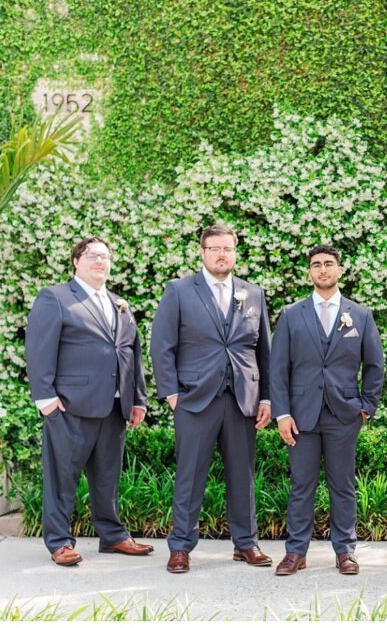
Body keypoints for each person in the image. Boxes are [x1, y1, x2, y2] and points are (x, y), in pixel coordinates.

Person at [150, 223, 272, 573]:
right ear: (202, 253)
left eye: (228, 249)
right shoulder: (179, 290)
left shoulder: (253, 293)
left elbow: (264, 351)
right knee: (189, 474)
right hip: (194, 398)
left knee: (242, 474)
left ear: (235, 252)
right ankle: (181, 547)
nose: (222, 255)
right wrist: (172, 394)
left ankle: (246, 543)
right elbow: (162, 346)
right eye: (215, 249)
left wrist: (266, 398)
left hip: (241, 399)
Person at [26, 236, 154, 566]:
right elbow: (39, 350)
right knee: (62, 477)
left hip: (114, 408)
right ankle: (59, 542)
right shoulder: (55, 298)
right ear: (76, 261)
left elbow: (131, 354)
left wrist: (137, 399)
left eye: (105, 256)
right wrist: (46, 400)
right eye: (92, 255)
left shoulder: (119, 304)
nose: (100, 261)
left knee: (108, 477)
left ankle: (112, 536)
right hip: (70, 406)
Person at [270, 244, 385, 576]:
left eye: (329, 264)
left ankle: (345, 552)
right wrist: (282, 413)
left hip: (343, 415)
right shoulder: (292, 314)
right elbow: (278, 369)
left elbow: (375, 365)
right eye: (317, 265)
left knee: (343, 484)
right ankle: (295, 552)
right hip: (301, 417)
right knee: (301, 485)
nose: (323, 269)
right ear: (310, 272)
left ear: (340, 270)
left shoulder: (359, 315)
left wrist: (366, 407)